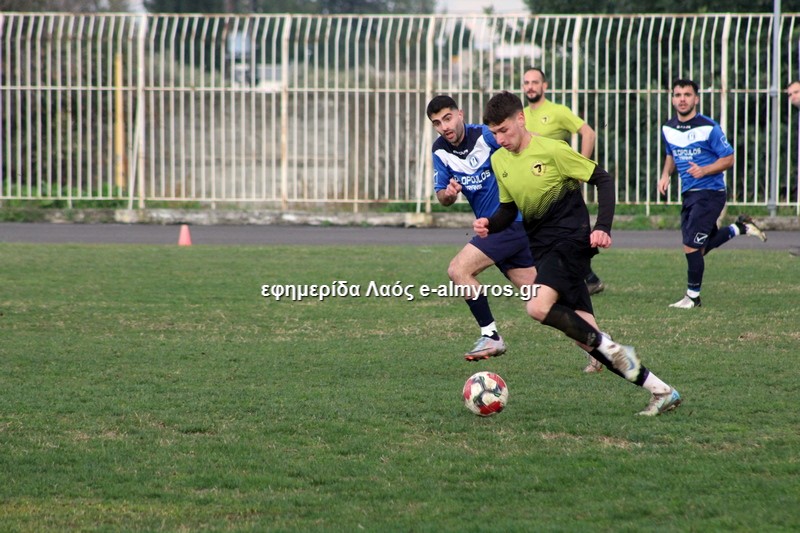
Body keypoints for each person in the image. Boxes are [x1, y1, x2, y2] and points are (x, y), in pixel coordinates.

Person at [473, 90, 681, 416]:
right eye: (494, 132)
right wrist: (490, 223)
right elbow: (509, 209)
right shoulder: (499, 161)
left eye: (505, 130)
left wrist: (603, 227)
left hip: (570, 241)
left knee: (537, 306)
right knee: (591, 340)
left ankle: (608, 345)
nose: (500, 139)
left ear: (521, 119)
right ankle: (661, 390)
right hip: (542, 250)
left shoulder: (553, 150)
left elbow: (603, 179)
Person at [427, 95, 536, 362]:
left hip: (510, 222)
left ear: (460, 114)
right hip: (494, 230)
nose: (444, 126)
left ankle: (491, 336)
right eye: (437, 123)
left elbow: (523, 145)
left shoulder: (486, 136)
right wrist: (449, 194)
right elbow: (441, 197)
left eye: (448, 118)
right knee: (540, 299)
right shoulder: (439, 150)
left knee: (458, 269)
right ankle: (598, 344)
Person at [659, 79, 767, 310]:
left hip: (710, 193)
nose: (682, 99)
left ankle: (693, 298)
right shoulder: (667, 128)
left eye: (687, 94)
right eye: (678, 95)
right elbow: (671, 154)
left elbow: (728, 158)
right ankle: (739, 228)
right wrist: (665, 174)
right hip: (689, 194)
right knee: (699, 248)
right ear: (672, 99)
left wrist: (704, 170)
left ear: (696, 99)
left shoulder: (709, 127)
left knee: (691, 246)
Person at [522, 67, 606, 298]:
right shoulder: (521, 116)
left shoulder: (557, 111)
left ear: (545, 86)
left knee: (563, 233)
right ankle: (587, 279)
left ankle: (572, 282)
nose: (530, 86)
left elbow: (588, 133)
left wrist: (580, 170)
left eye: (535, 82)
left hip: (560, 188)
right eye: (526, 82)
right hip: (535, 188)